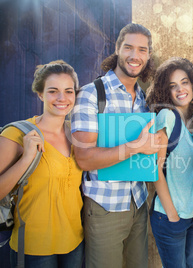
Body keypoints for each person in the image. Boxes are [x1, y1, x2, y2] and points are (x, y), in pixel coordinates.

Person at [71, 23, 161, 268]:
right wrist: (135, 146)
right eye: (129, 47)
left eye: (142, 50)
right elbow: (84, 158)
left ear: (148, 55)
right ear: (117, 49)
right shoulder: (92, 94)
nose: (135, 56)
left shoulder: (144, 99)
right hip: (105, 207)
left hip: (138, 202)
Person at [0, 60, 84, 267]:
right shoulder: (17, 134)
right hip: (33, 246)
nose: (62, 98)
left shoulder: (78, 134)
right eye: (53, 91)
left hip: (74, 242)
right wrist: (26, 158)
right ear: (40, 94)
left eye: (69, 91)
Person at [146, 57, 193, 268]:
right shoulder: (167, 117)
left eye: (185, 82)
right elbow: (155, 169)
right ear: (166, 91)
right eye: (173, 86)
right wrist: (172, 213)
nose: (180, 89)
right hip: (171, 217)